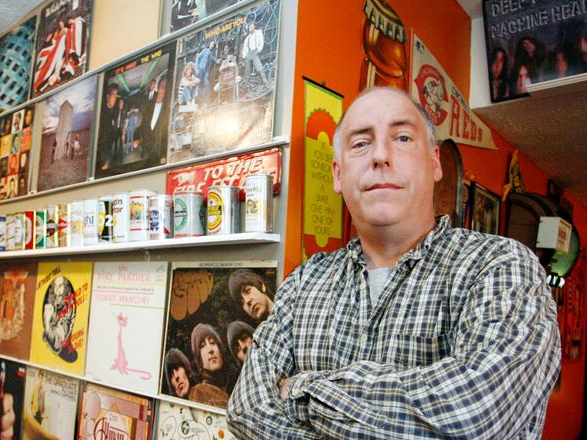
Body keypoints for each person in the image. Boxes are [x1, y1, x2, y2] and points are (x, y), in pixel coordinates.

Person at [227, 87, 561, 438]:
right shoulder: (306, 279)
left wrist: (301, 388)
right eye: (360, 144)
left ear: (434, 162)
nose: (381, 156)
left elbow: (473, 417)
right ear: (338, 175)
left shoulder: (500, 267)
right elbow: (246, 410)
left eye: (402, 138)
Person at [189, 323, 236, 407]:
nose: (210, 349)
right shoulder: (200, 392)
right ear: (198, 358)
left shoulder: (230, 392)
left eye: (212, 342)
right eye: (202, 346)